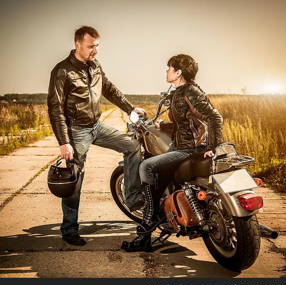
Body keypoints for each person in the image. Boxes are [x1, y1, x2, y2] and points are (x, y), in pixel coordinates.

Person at [47, 26, 145, 246]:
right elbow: (55, 109)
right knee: (75, 178)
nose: (95, 51)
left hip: (96, 126)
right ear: (77, 45)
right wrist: (64, 142)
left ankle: (132, 198)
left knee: (132, 146)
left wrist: (130, 108)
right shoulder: (62, 71)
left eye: (97, 46)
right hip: (76, 131)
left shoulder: (95, 66)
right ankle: (69, 229)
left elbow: (109, 89)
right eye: (91, 46)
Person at [121, 54, 223, 252]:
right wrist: (163, 125)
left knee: (146, 166)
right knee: (162, 173)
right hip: (182, 144)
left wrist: (213, 147)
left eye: (169, 68)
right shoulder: (182, 91)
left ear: (178, 72)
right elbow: (187, 121)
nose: (166, 71)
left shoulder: (190, 92)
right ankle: (170, 209)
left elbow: (214, 117)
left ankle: (146, 232)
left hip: (189, 149)